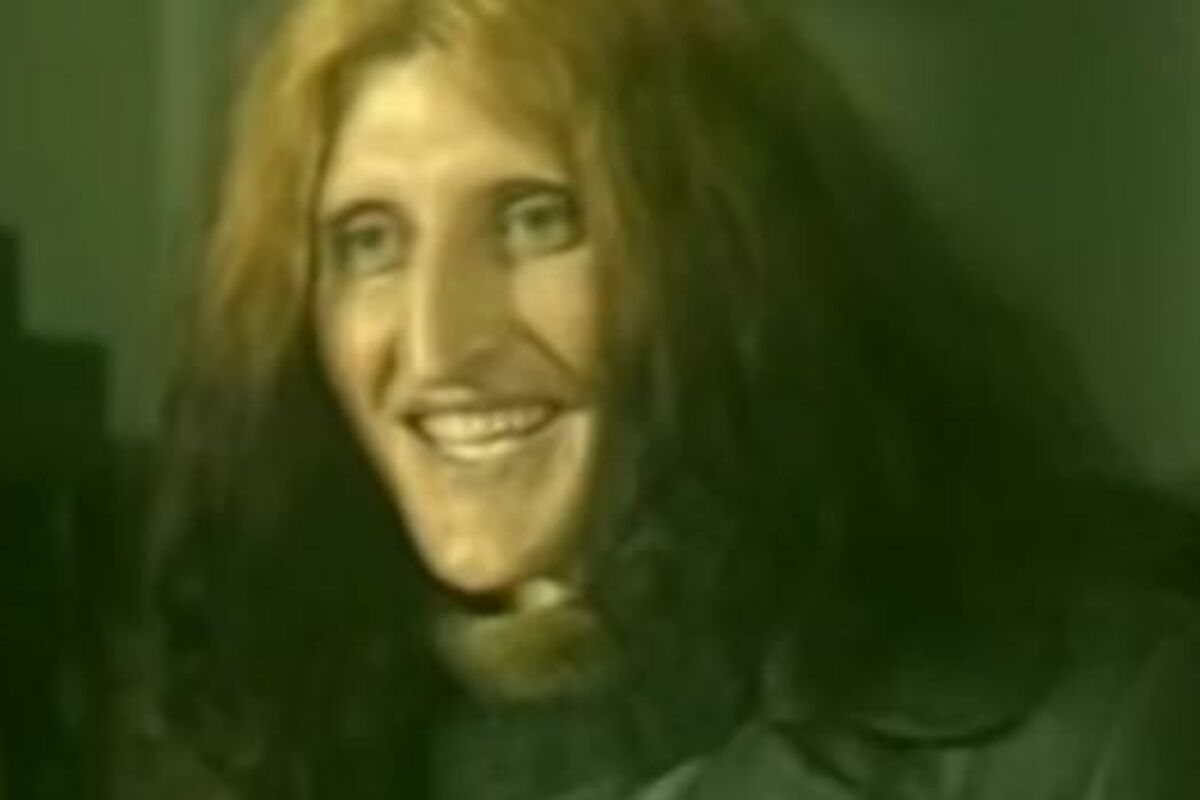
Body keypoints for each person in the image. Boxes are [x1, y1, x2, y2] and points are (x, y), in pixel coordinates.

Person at [145, 0, 1200, 797]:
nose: (436, 348)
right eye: (368, 242)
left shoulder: (1092, 731)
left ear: (731, 254)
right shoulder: (263, 745)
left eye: (534, 219)